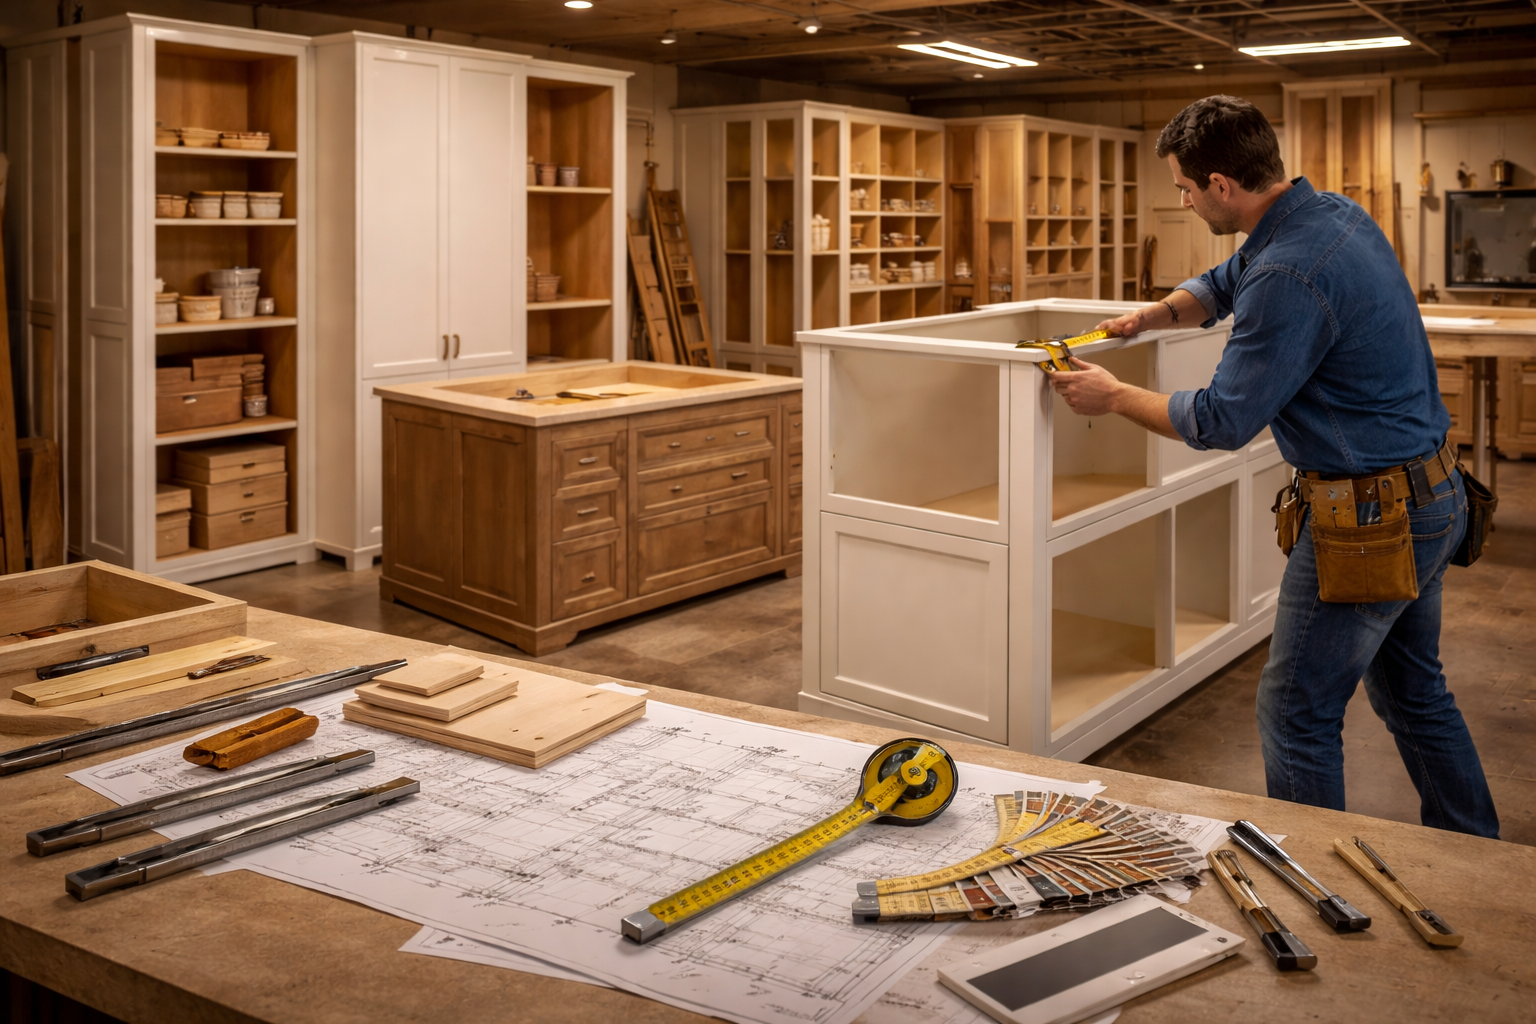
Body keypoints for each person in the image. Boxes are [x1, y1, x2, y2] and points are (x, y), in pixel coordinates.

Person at [1048, 95, 1499, 838]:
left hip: (1372, 521)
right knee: (1414, 692)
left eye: (1187, 190)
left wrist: (1115, 395)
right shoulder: (1330, 216)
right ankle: (1476, 848)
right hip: (1433, 492)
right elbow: (1225, 283)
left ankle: (1313, 879)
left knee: (1295, 712)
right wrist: (1151, 317)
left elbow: (1225, 420)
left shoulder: (1289, 273)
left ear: (1222, 185)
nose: (1184, 202)